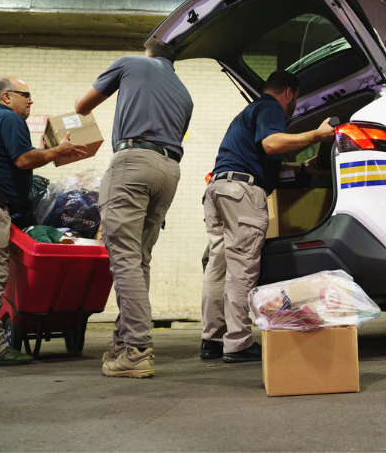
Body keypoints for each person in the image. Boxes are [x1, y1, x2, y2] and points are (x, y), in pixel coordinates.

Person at [0, 77, 87, 367]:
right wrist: (57, 152)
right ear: (7, 96)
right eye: (27, 95)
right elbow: (24, 160)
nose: (31, 101)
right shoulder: (8, 118)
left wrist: (43, 152)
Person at [75, 41, 193, 378]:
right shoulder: (185, 95)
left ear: (149, 52)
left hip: (132, 162)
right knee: (139, 258)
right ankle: (125, 342)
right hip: (169, 170)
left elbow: (82, 105)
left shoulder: (131, 63)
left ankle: (138, 350)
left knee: (124, 257)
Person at [200, 70, 335, 363]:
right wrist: (317, 135)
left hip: (219, 189)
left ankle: (212, 340)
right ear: (289, 92)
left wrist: (303, 168)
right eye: (295, 101)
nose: (293, 109)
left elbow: (266, 159)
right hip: (242, 194)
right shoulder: (271, 107)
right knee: (242, 270)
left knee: (217, 267)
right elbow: (272, 144)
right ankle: (237, 344)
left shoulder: (250, 112)